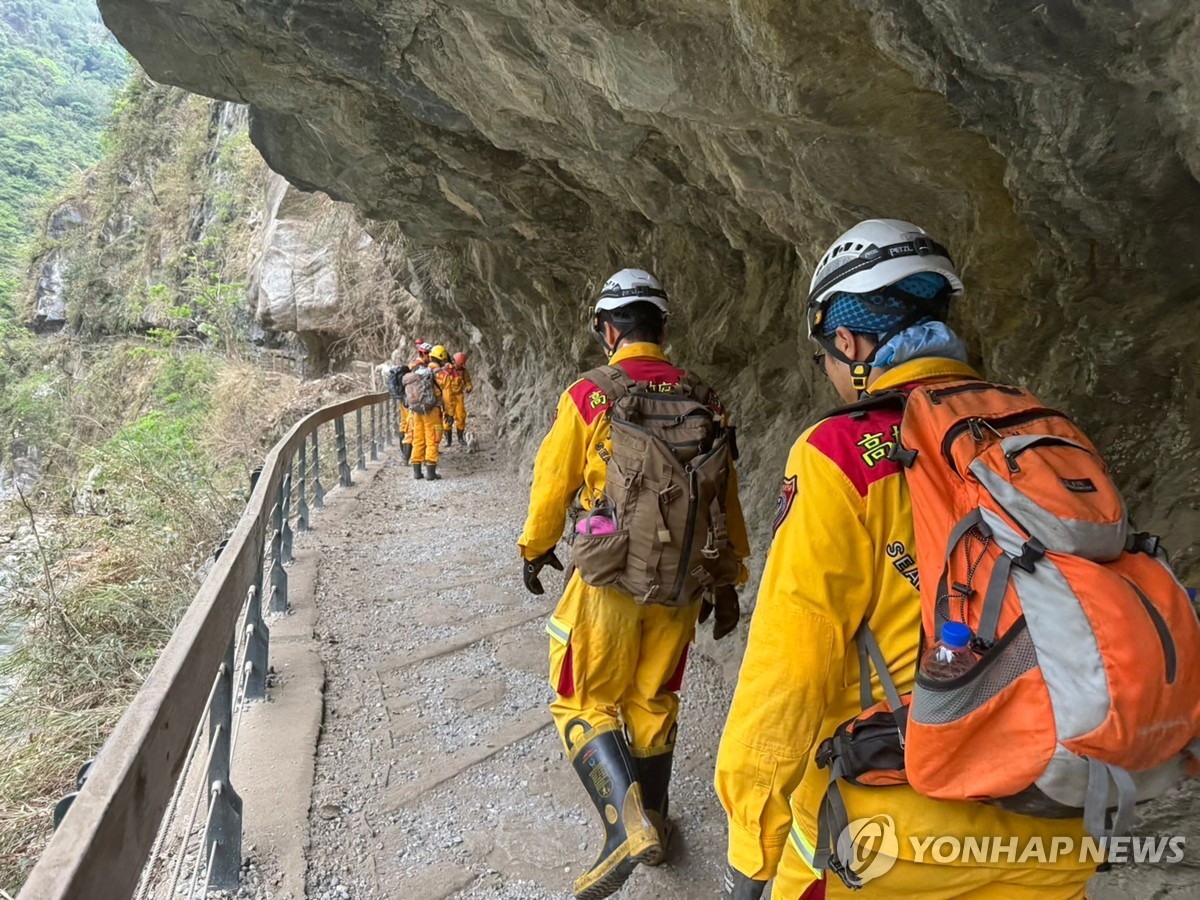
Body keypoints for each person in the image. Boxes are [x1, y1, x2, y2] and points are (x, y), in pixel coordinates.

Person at [716, 219, 1096, 900]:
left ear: (850, 341)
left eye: (827, 358)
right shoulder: (1049, 432)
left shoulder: (841, 453)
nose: (831, 375)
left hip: (895, 831)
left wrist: (753, 836)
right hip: (1060, 822)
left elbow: (789, 668)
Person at [519, 268, 752, 900]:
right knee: (653, 698)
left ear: (608, 329)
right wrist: (726, 578)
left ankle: (622, 830)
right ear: (663, 328)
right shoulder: (708, 398)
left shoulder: (591, 395)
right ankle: (657, 817)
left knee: (581, 698)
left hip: (607, 578)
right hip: (681, 585)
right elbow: (723, 497)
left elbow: (553, 482)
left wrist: (535, 549)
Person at [405, 343, 444, 480]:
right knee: (433, 438)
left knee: (417, 439)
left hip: (416, 411)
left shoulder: (414, 371)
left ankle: (416, 472)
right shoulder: (433, 372)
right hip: (431, 410)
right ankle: (431, 473)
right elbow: (443, 390)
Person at [439, 351, 474, 445]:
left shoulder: (463, 371)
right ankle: (448, 440)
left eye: (462, 364)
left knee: (461, 416)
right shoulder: (446, 369)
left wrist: (469, 387)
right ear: (454, 361)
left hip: (458, 396)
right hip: (447, 397)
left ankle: (460, 438)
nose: (460, 366)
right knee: (446, 419)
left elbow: (468, 381)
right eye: (459, 364)